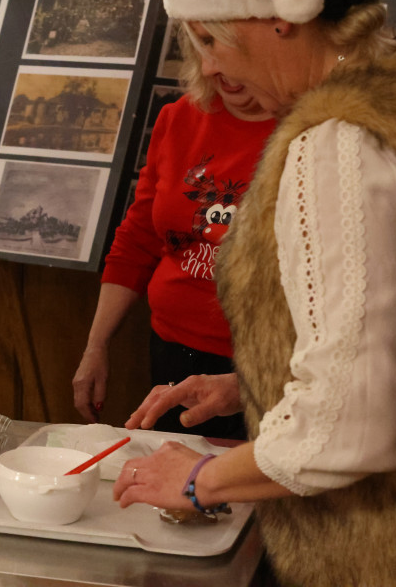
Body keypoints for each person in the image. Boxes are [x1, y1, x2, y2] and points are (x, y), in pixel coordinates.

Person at [112, 0, 396, 587]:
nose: (210, 68)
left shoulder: (337, 146)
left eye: (210, 38)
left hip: (381, 547)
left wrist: (196, 480)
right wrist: (252, 383)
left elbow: (347, 429)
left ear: (281, 17)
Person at [72, 27, 275, 439]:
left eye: (232, 49)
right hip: (172, 353)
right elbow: (138, 237)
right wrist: (96, 344)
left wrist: (259, 381)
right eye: (204, 46)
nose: (214, 67)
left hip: (267, 366)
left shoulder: (313, 129)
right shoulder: (179, 117)